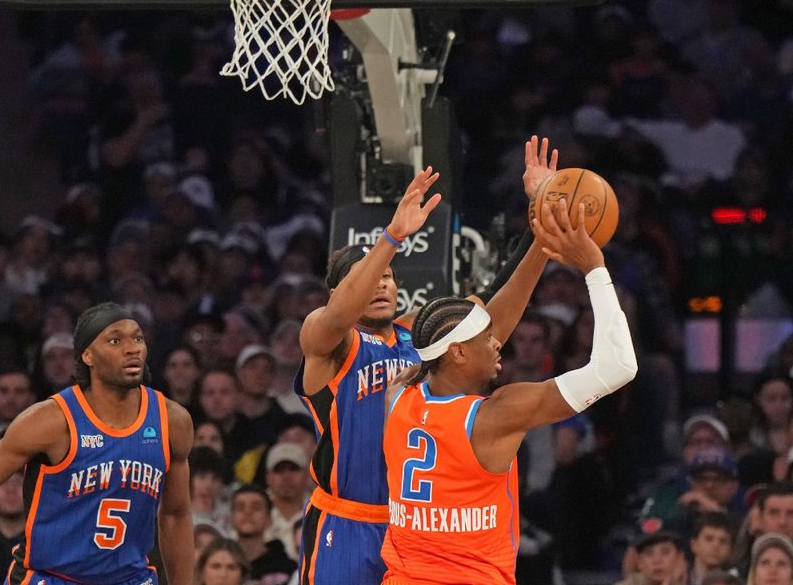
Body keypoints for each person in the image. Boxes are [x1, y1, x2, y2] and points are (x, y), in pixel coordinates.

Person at [295, 137, 558, 584]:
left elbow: (491, 316)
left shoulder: (418, 335)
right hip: (347, 524)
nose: (380, 284)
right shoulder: (328, 339)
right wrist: (392, 237)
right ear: (339, 291)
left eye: (389, 277)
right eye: (367, 279)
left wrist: (540, 223)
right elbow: (339, 312)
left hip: (414, 532)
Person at [381, 198, 638, 584]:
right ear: (459, 352)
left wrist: (540, 234)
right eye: (488, 338)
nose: (500, 341)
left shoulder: (398, 393)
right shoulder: (496, 413)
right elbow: (619, 366)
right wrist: (594, 268)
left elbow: (443, 345)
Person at [0, 302, 194, 584]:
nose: (132, 348)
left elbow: (176, 515)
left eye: (137, 338)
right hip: (52, 577)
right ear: (87, 355)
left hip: (130, 578)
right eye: (115, 340)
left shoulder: (171, 420)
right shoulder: (50, 421)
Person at [689, 512, 736, 585]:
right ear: (694, 545)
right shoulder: (677, 579)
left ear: (730, 549)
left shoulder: (737, 582)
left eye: (723, 541)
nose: (716, 545)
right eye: (709, 539)